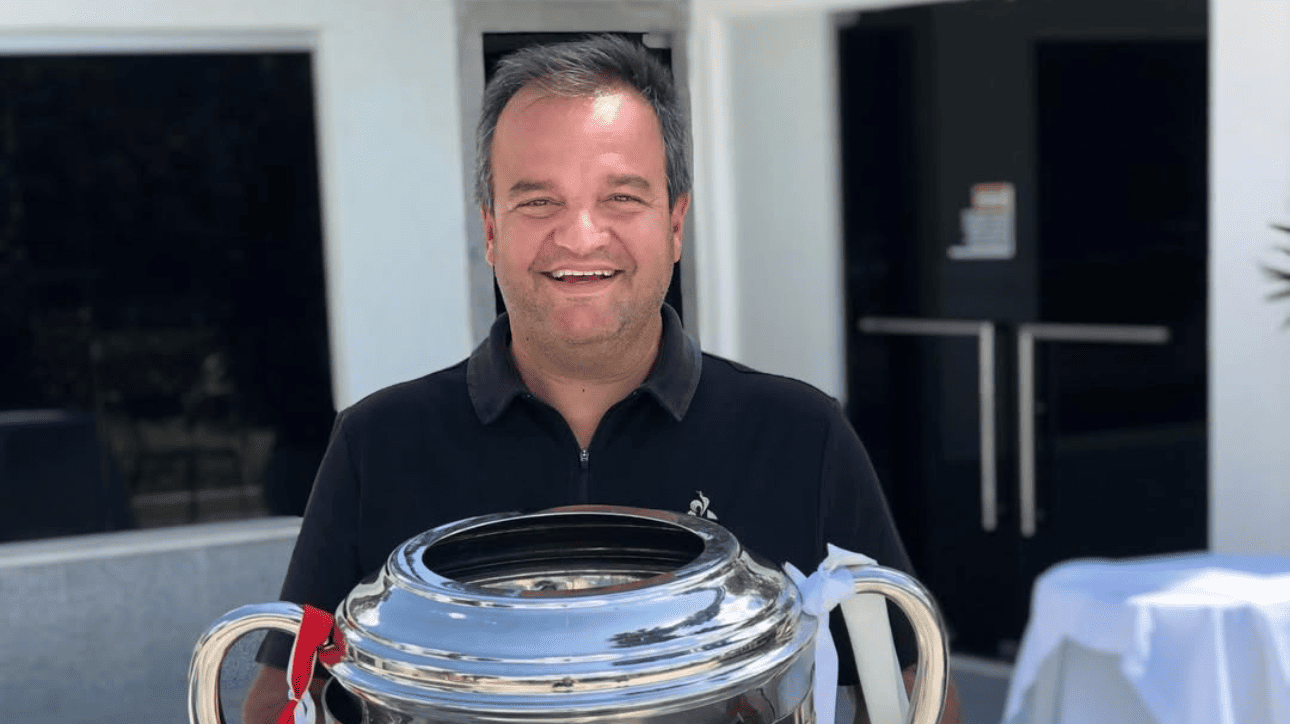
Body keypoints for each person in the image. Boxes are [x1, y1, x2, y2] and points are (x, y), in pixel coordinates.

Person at [244, 34, 960, 724]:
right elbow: (285, 697)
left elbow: (908, 687)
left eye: (622, 197)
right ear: (491, 229)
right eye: (537, 200)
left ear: (676, 223)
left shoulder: (801, 434)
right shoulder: (379, 442)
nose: (581, 235)